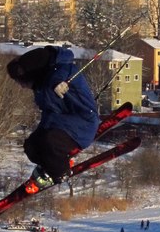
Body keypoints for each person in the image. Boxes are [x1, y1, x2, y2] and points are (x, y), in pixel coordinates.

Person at [7, 45, 99, 187]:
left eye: (20, 81)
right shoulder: (41, 88)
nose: (20, 86)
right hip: (62, 124)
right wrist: (39, 135)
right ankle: (49, 166)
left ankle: (61, 172)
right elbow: (49, 114)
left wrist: (57, 83)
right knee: (31, 146)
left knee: (50, 141)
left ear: (30, 75)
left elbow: (62, 73)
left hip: (83, 122)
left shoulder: (61, 72)